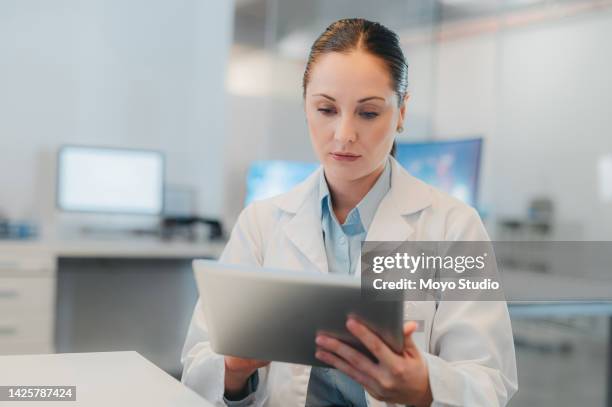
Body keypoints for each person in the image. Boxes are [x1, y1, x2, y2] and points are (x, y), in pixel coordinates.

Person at [181, 18, 518, 407]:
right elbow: (198, 363)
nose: (344, 134)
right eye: (326, 109)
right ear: (305, 105)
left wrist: (423, 385)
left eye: (369, 113)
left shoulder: (453, 226)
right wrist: (234, 370)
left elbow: (489, 381)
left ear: (402, 112)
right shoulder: (261, 224)